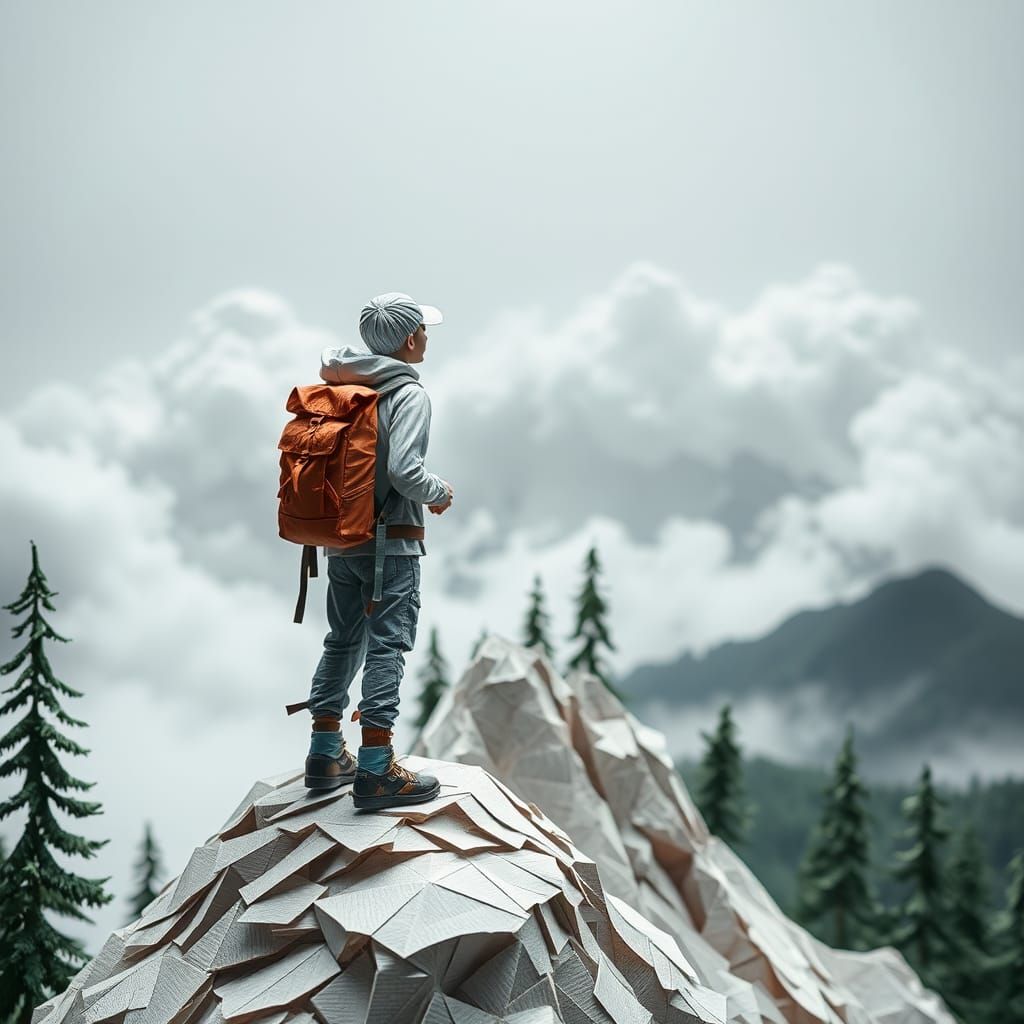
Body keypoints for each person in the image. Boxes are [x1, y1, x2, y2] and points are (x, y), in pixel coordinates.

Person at [301, 291, 453, 810]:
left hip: (341, 541)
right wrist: (439, 492)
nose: (427, 337)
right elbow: (405, 472)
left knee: (342, 639)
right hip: (392, 545)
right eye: (424, 329)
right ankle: (376, 767)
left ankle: (325, 753)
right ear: (410, 339)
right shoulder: (408, 395)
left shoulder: (343, 388)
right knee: (388, 645)